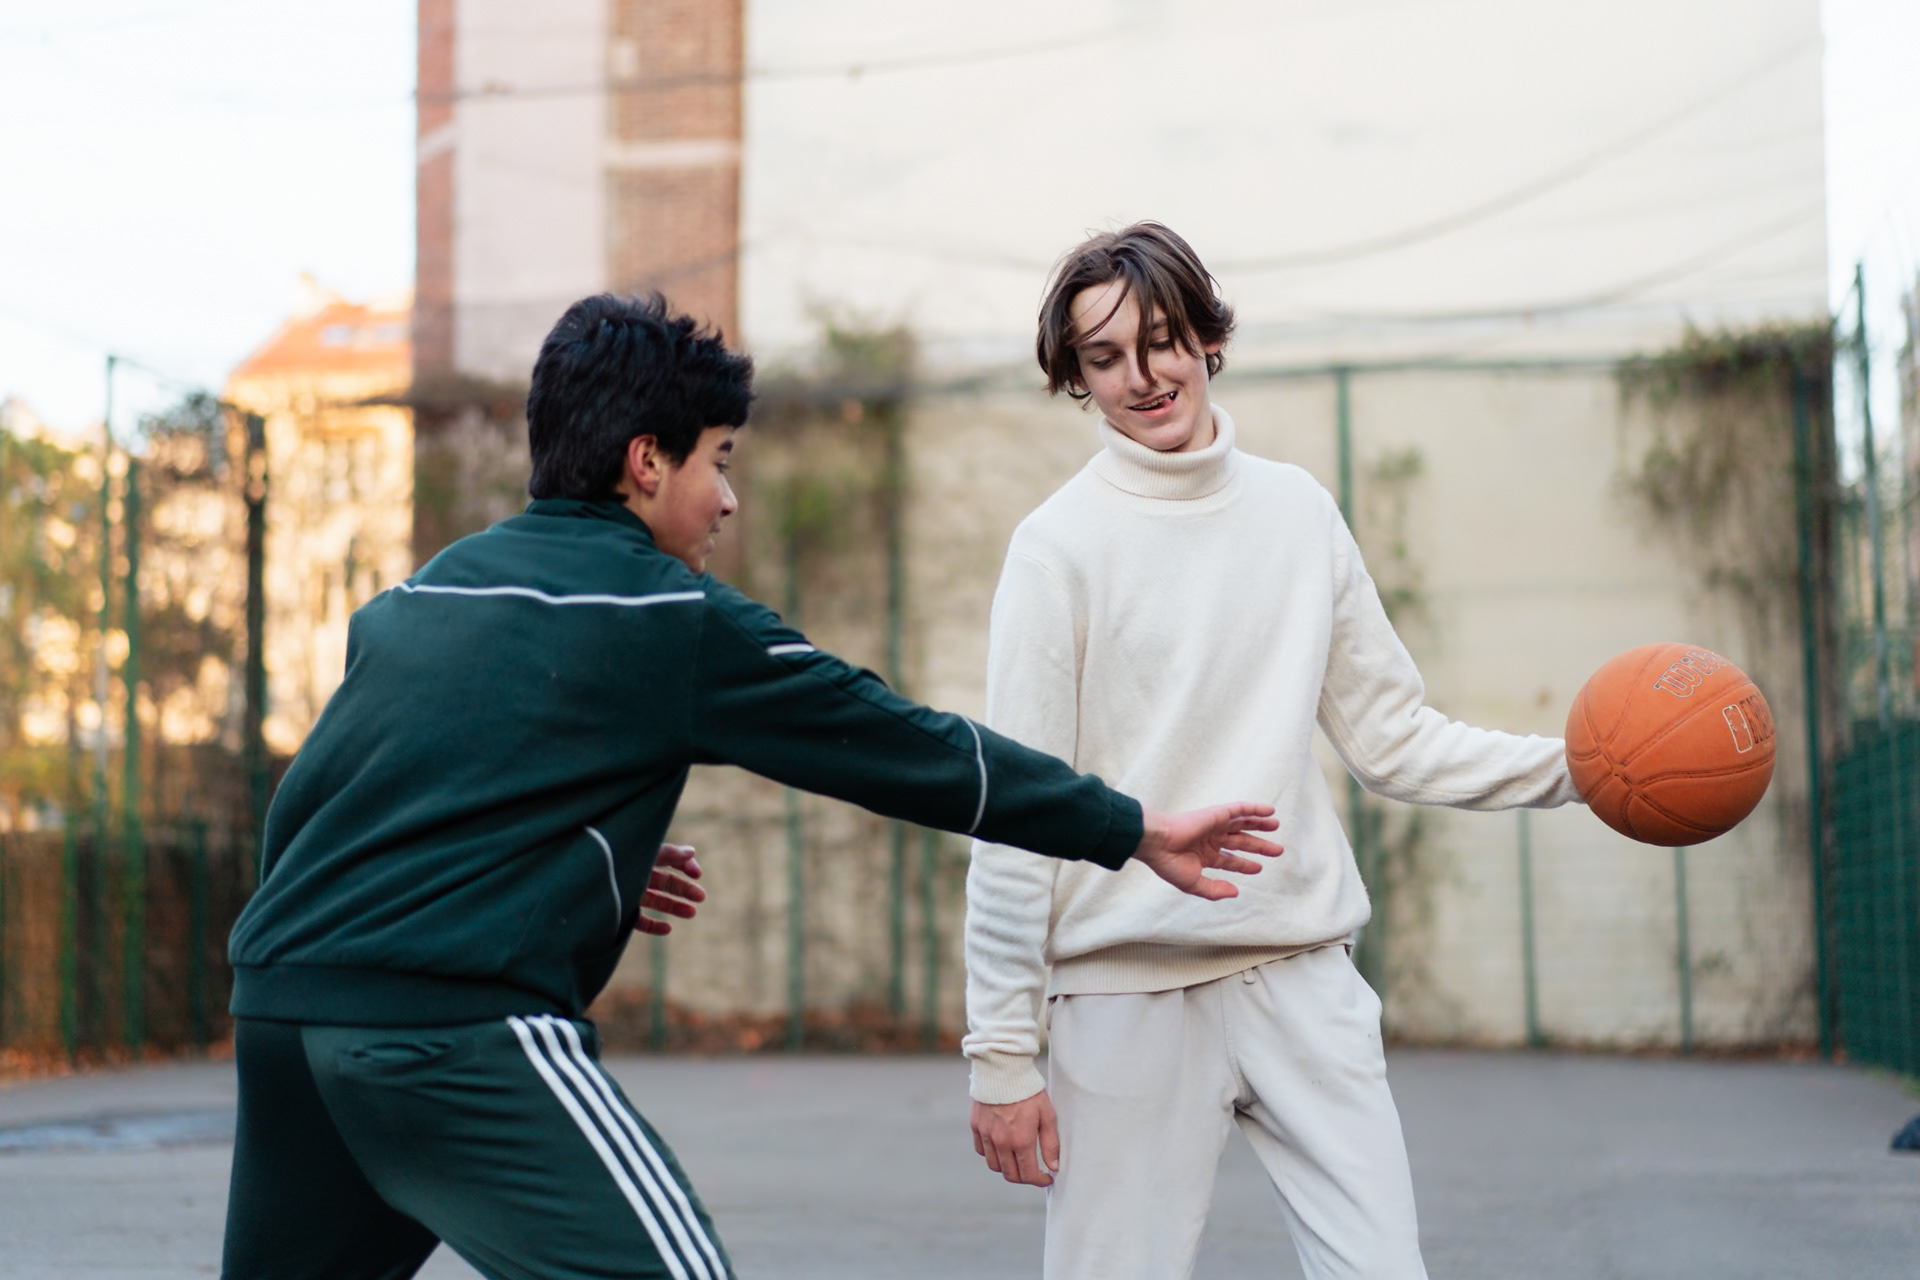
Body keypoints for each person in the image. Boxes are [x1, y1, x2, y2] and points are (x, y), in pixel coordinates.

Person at [218, 291, 1282, 1280]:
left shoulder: (418, 595)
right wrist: (1127, 827)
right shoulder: (664, 615)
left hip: (280, 1011)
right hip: (448, 1029)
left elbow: (328, 808)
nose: (727, 498)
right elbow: (900, 745)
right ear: (646, 462)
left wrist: (558, 865)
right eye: (718, 461)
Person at [961, 223, 1581, 1279]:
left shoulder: (1297, 512)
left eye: (1162, 340)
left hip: (1302, 978)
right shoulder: (1056, 548)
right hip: (1124, 997)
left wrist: (1580, 769)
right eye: (1105, 357)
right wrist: (1002, 1053)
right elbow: (1019, 809)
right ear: (1078, 378)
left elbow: (1393, 739)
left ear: (1208, 337)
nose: (1142, 376)